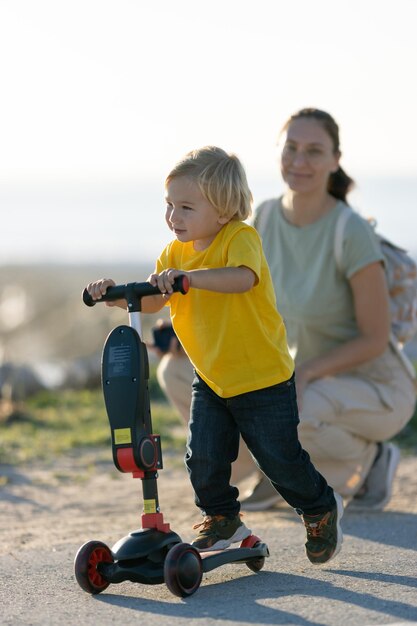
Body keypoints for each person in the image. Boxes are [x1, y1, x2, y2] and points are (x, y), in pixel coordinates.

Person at [86, 145, 343, 564]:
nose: (174, 217)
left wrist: (190, 279)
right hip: (212, 377)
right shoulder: (173, 255)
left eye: (186, 207)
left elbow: (241, 279)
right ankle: (222, 517)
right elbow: (153, 302)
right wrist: (116, 297)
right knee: (202, 455)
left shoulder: (239, 238)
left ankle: (318, 507)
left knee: (279, 460)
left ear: (223, 211)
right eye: (169, 205)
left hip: (262, 378)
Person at [247, 107, 416, 512]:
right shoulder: (264, 218)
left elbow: (375, 338)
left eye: (314, 151)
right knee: (184, 376)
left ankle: (372, 463)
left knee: (293, 413)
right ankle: (278, 468)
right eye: (291, 148)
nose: (299, 161)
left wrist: (304, 373)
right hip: (303, 381)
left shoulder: (349, 230)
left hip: (376, 388)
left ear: (335, 160)